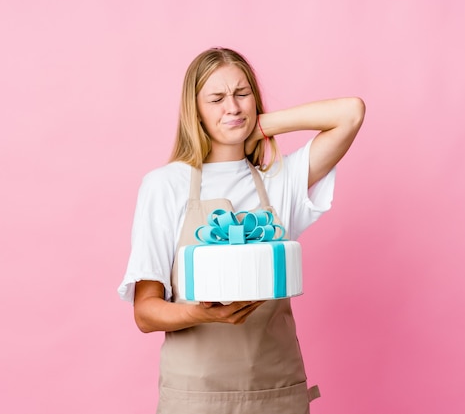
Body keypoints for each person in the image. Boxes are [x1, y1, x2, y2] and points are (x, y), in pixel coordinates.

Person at [118, 47, 365, 414]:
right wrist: (201, 314)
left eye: (242, 94)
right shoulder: (164, 185)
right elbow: (146, 312)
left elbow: (350, 112)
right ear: (195, 112)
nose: (232, 107)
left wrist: (261, 126)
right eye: (216, 99)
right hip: (196, 397)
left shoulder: (282, 181)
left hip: (277, 392)